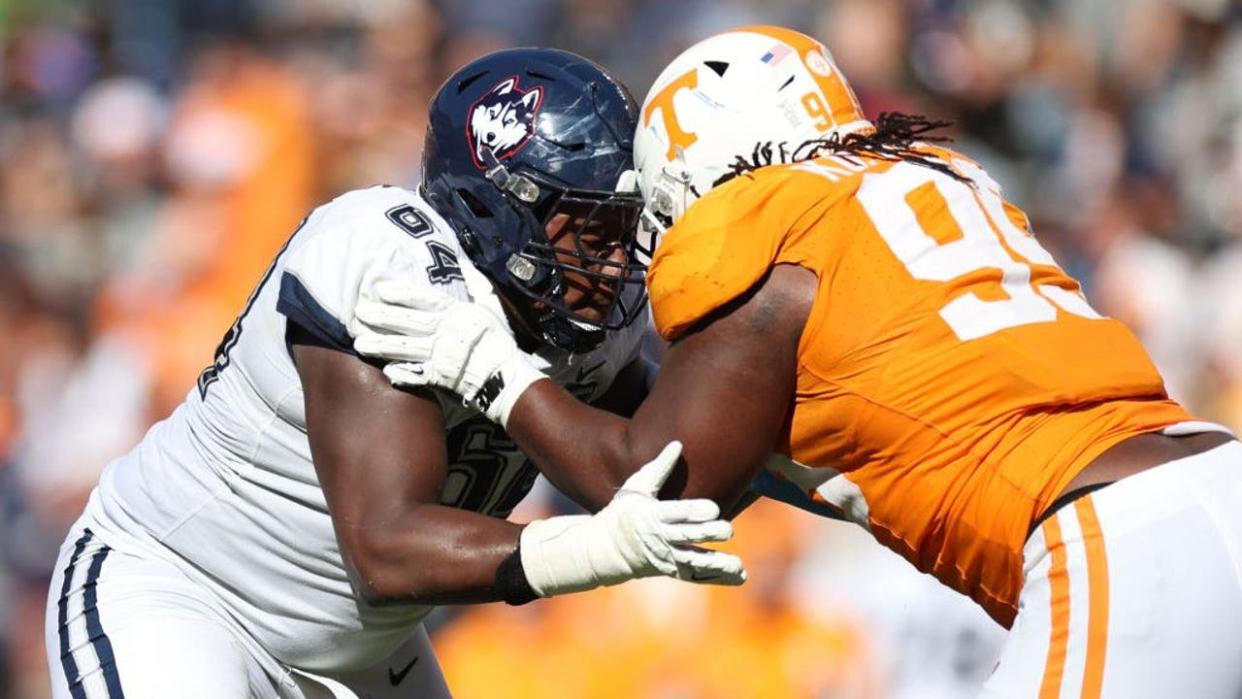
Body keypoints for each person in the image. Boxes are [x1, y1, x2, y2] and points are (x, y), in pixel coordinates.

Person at [353, 26, 1242, 698]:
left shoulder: (759, 226)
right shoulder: (934, 177)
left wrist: (491, 367)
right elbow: (779, 437)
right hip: (1209, 475)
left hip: (1120, 544)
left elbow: (650, 490)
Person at [44, 48, 744, 699]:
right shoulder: (383, 264)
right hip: (186, 595)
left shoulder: (583, 313)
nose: (620, 262)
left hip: (359, 649)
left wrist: (805, 449)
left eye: (626, 229)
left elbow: (640, 471)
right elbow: (386, 552)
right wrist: (596, 547)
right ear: (501, 209)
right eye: (594, 230)